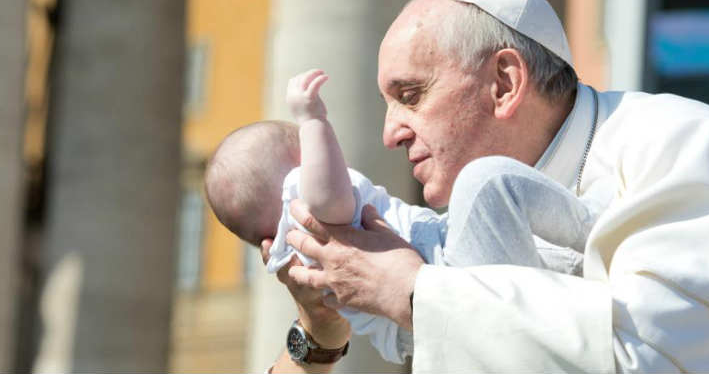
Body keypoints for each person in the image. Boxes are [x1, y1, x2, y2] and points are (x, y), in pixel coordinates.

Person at [266, 0, 709, 373]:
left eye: (411, 96)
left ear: (505, 83)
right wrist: (327, 317)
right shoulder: (449, 233)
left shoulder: (679, 144)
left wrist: (417, 293)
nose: (390, 134)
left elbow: (652, 362)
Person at [206, 68, 599, 364]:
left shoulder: (295, 248)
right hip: (437, 274)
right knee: (483, 182)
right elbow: (330, 200)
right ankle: (599, 228)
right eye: (310, 148)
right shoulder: (303, 198)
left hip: (430, 296)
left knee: (554, 270)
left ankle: (594, 263)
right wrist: (312, 122)